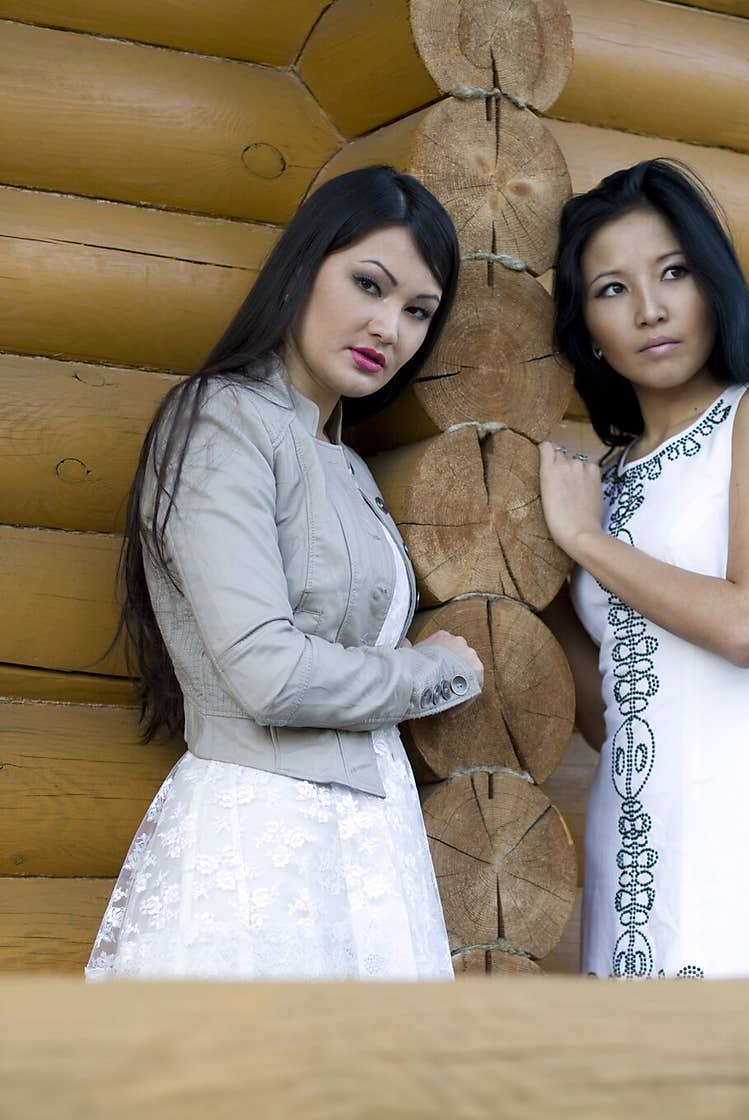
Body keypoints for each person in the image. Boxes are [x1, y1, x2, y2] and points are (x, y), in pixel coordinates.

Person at [85, 165, 484, 982]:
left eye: (418, 312)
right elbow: (266, 670)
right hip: (261, 844)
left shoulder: (346, 464)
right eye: (368, 285)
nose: (389, 327)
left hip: (373, 848)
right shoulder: (220, 422)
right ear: (304, 267)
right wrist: (431, 673)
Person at [539, 158, 749, 985]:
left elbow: (747, 626)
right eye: (612, 289)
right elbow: (611, 714)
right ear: (588, 331)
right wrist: (538, 594)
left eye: (673, 272)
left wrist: (586, 545)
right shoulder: (607, 482)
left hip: (741, 838)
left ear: (713, 283)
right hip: (635, 834)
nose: (650, 309)